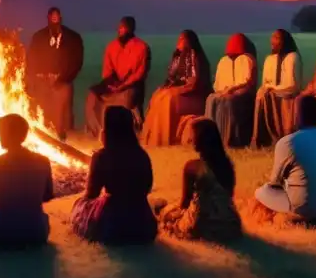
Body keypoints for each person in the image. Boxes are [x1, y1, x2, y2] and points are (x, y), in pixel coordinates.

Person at [70, 106, 157, 244]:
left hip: (113, 225)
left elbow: (92, 193)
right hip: (143, 222)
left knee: (79, 205)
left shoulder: (101, 157)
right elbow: (147, 188)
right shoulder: (142, 155)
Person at [0, 114, 55, 247]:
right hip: (36, 234)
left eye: (1, 131)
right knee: (42, 217)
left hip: (0, 234)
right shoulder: (43, 161)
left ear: (7, 134)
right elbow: (47, 196)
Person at [253, 95, 316, 222]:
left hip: (303, 211)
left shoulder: (287, 143)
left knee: (261, 192)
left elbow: (275, 183)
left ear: (297, 116)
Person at [155, 117, 242, 242]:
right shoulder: (227, 165)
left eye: (192, 136)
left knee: (165, 214)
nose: (190, 139)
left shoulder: (192, 167)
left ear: (199, 140)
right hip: (231, 225)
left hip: (202, 225)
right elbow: (229, 196)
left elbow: (185, 203)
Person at [140, 30, 211, 147]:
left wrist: (176, 90)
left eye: (182, 39)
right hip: (184, 91)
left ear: (189, 41)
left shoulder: (195, 56)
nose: (179, 42)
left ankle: (166, 139)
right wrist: (167, 87)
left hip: (195, 95)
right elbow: (173, 78)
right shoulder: (178, 56)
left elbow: (195, 83)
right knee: (158, 95)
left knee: (168, 98)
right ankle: (152, 138)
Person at [85, 17, 151, 138]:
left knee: (126, 96)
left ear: (130, 29)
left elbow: (140, 74)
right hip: (114, 83)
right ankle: (99, 131)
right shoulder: (111, 47)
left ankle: (128, 129)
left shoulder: (142, 47)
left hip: (132, 85)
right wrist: (111, 84)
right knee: (92, 96)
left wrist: (123, 86)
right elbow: (107, 71)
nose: (119, 30)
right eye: (119, 27)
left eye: (123, 27)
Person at [26, 7, 85, 141]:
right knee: (39, 102)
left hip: (63, 79)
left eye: (57, 17)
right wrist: (40, 74)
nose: (55, 20)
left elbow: (77, 61)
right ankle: (40, 132)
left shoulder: (73, 38)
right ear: (48, 19)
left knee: (61, 103)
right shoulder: (39, 37)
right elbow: (31, 57)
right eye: (52, 18)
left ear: (61, 18)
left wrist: (61, 77)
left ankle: (60, 134)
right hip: (42, 79)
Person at [205, 33, 258, 148]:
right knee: (211, 99)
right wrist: (220, 91)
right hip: (226, 91)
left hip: (243, 92)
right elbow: (218, 82)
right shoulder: (223, 61)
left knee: (229, 101)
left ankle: (229, 138)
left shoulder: (247, 59)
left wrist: (232, 89)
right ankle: (210, 136)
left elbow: (247, 81)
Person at [252, 29, 303, 148]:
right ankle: (262, 137)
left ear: (284, 41)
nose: (272, 40)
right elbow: (265, 82)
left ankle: (283, 135)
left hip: (289, 91)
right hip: (273, 90)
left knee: (270, 94)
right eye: (272, 37)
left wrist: (272, 87)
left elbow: (292, 84)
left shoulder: (292, 57)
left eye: (276, 37)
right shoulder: (270, 59)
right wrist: (268, 88)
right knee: (261, 95)